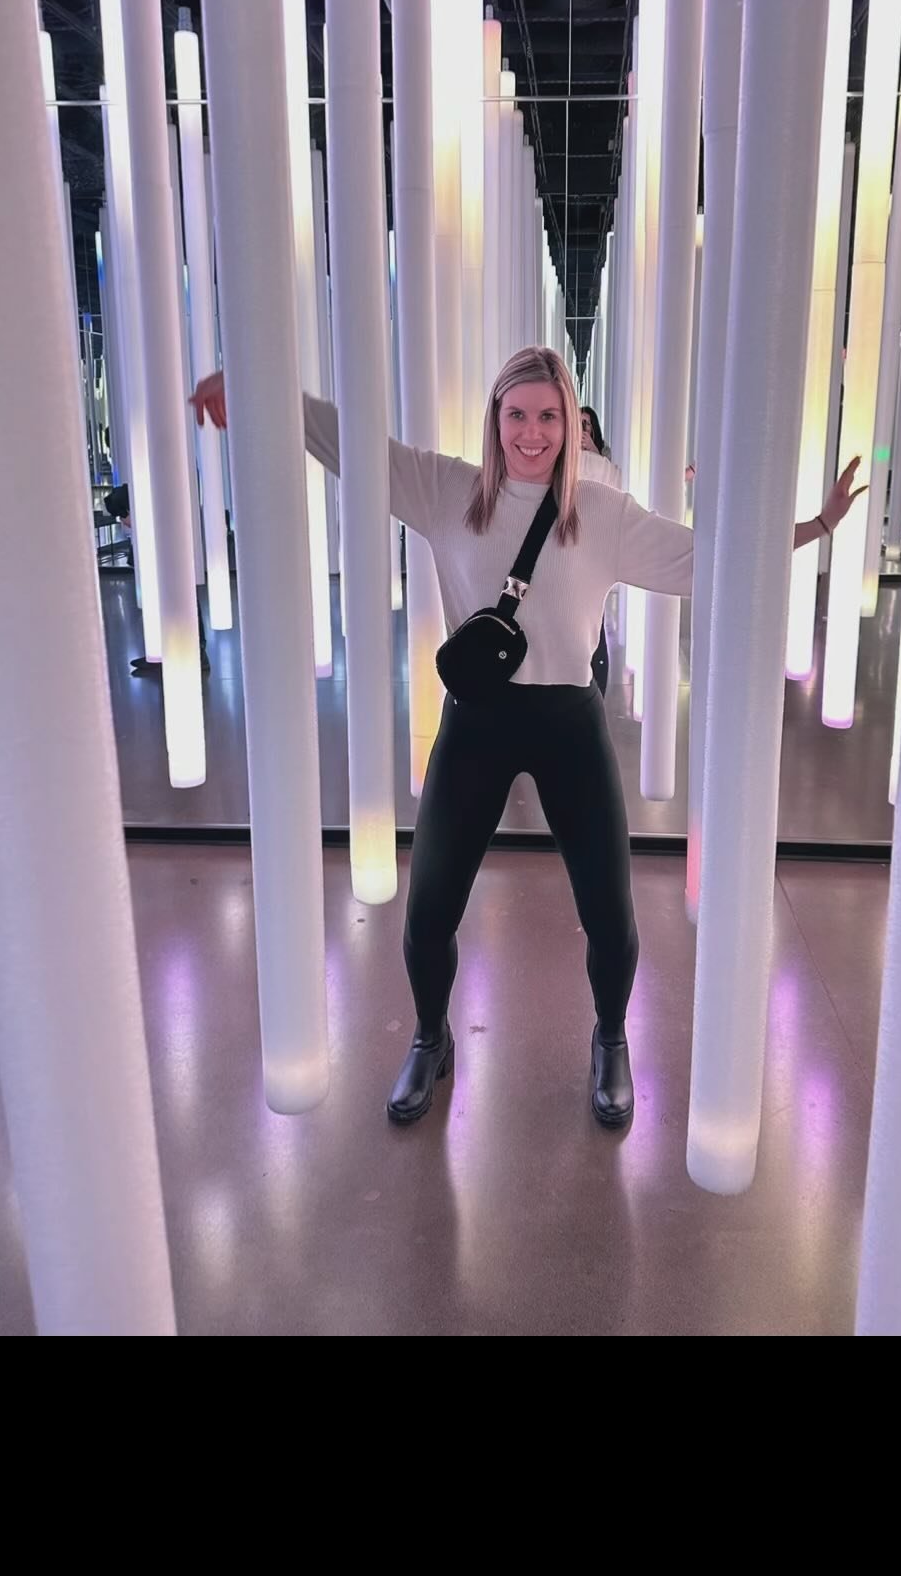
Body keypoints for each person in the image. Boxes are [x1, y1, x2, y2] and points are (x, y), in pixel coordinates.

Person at [192, 347, 862, 1130]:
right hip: (476, 722)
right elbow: (351, 444)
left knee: (609, 913)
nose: (532, 433)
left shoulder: (602, 514)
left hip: (568, 722)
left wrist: (819, 525)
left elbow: (714, 558)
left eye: (548, 416)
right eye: (517, 415)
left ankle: (610, 1039)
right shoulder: (445, 489)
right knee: (428, 911)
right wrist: (258, 388)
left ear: (571, 424)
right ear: (496, 419)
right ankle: (431, 1036)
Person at [101, 483, 211, 677]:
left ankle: (193, 654)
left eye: (121, 517)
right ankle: (168, 654)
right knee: (168, 605)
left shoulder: (158, 526)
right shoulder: (153, 522)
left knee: (180, 603)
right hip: (168, 563)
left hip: (173, 565)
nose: (123, 523)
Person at [577, 406, 622, 696]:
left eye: (587, 424)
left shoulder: (604, 462)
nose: (583, 429)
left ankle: (597, 691)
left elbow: (615, 490)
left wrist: (594, 454)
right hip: (566, 548)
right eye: (578, 423)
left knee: (597, 623)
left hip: (594, 552)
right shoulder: (561, 457)